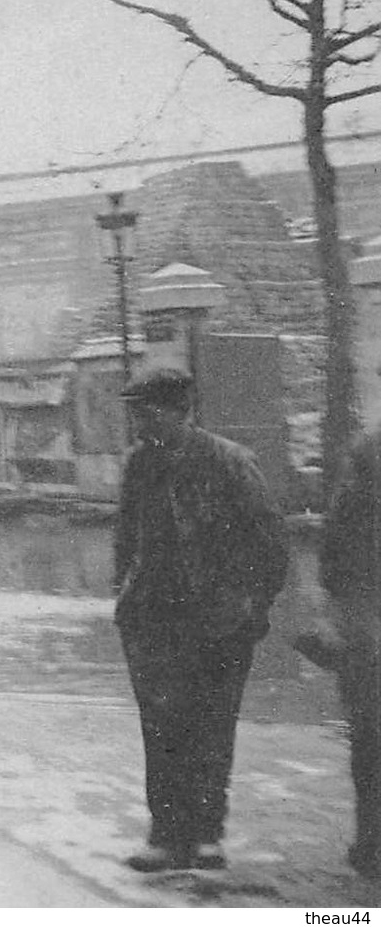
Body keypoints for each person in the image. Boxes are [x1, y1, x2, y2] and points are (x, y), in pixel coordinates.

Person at [111, 367, 289, 872]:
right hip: (154, 620)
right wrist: (122, 596)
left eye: (146, 411)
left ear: (176, 410)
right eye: (135, 411)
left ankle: (207, 836)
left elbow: (271, 541)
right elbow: (125, 538)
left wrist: (252, 606)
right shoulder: (139, 464)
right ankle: (165, 837)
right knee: (161, 729)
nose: (139, 421)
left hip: (219, 621)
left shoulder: (230, 462)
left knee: (211, 730)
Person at [298, 427, 381, 876]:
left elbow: (332, 568)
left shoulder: (355, 482)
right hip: (367, 630)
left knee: (369, 743)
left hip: (364, 633)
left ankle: (371, 844)